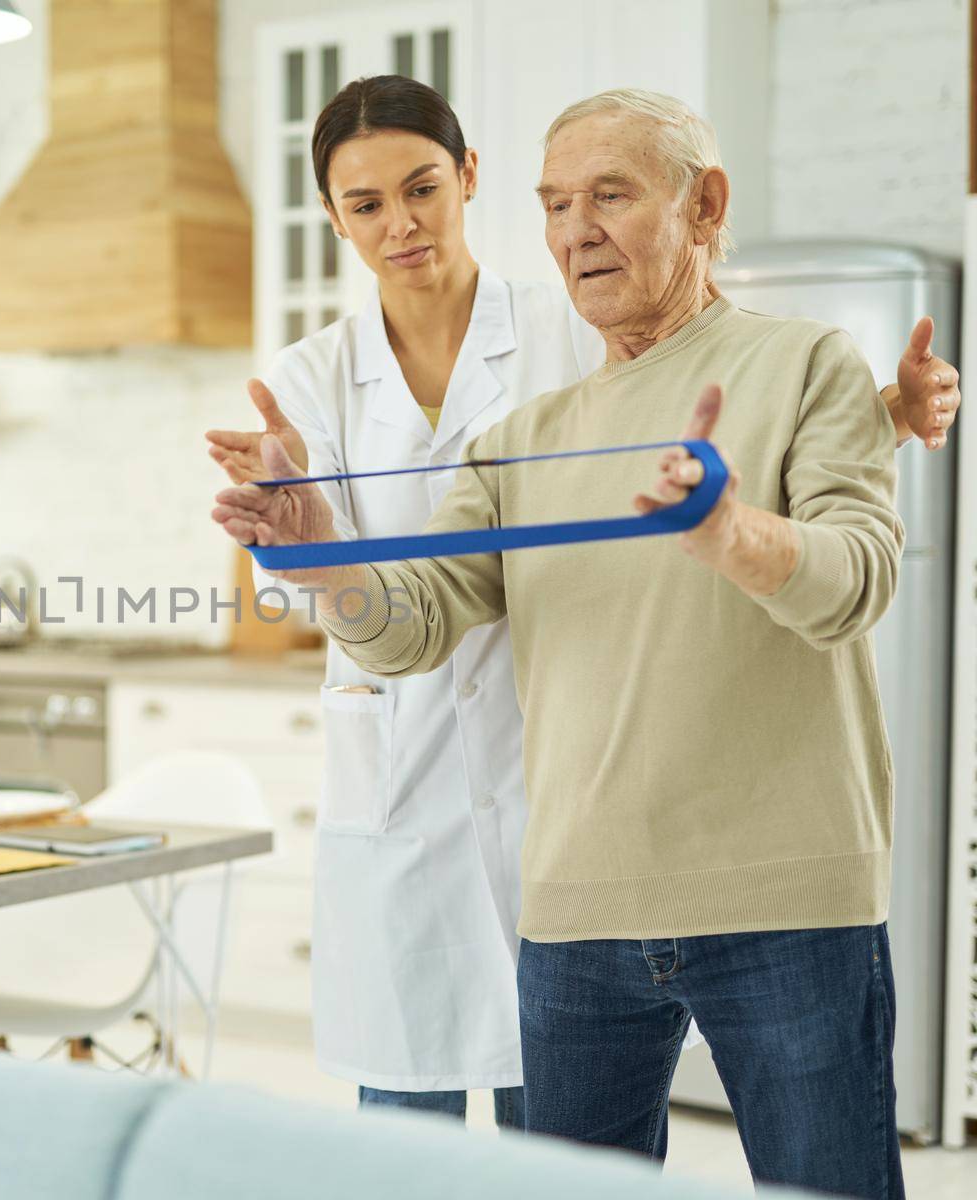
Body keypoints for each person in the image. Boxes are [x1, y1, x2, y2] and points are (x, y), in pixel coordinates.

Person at [205, 76, 958, 1132]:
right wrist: (305, 547)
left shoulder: (584, 323)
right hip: (444, 771)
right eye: (363, 205)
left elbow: (714, 439)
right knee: (411, 1118)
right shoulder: (326, 380)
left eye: (420, 187)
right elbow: (361, 593)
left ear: (467, 180)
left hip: (603, 783)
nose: (399, 223)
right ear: (333, 220)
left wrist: (871, 419)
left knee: (564, 1126)